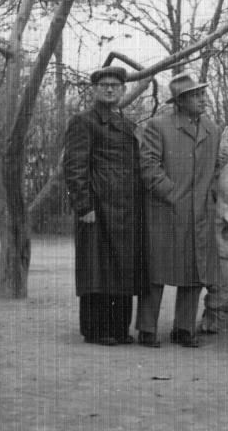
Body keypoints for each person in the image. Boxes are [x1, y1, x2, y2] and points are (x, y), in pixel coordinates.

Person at [135, 73, 221, 348]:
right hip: (165, 211)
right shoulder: (158, 126)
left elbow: (217, 168)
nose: (202, 99)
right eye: (196, 96)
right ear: (180, 101)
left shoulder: (212, 129)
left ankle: (184, 329)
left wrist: (213, 196)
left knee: (195, 271)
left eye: (202, 94)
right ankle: (147, 329)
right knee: (156, 271)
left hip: (200, 213)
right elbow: (148, 167)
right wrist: (172, 194)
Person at [63, 66, 147, 346]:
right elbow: (74, 167)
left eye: (115, 85)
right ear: (94, 90)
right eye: (104, 85)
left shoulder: (125, 123)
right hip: (97, 208)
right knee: (97, 270)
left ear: (123, 90)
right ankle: (96, 331)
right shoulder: (83, 121)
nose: (109, 89)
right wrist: (83, 205)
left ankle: (119, 329)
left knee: (121, 269)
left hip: (124, 210)